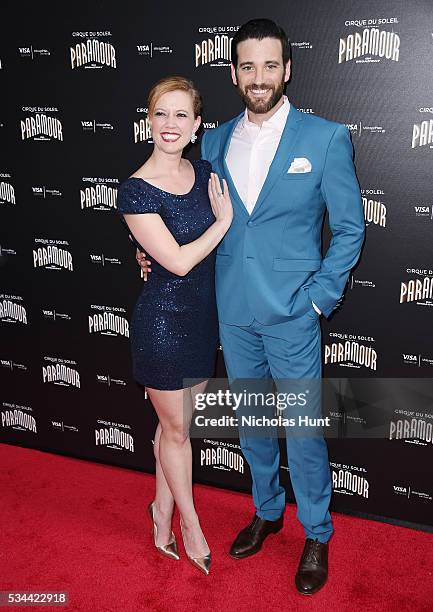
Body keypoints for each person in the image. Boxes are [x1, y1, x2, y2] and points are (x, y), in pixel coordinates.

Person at [137, 18, 365, 595]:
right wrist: (150, 257)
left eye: (270, 65)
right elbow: (176, 212)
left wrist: (318, 299)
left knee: (303, 431)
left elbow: (349, 230)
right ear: (235, 73)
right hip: (229, 311)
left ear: (287, 70)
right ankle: (266, 510)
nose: (258, 77)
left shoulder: (326, 138)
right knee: (255, 426)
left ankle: (316, 529)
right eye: (247, 66)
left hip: (293, 312)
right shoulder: (210, 143)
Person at [116, 75, 233, 576]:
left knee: (173, 430)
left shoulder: (203, 169)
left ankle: (160, 514)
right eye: (161, 113)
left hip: (203, 321)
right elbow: (180, 262)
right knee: (179, 430)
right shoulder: (134, 190)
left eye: (181, 114)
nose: (170, 124)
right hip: (162, 324)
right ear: (147, 122)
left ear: (196, 125)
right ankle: (191, 526)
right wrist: (221, 224)